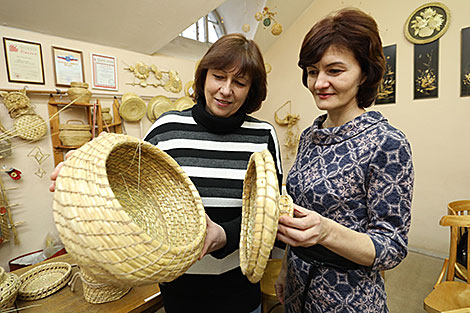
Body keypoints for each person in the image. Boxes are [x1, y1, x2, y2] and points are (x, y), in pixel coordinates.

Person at [50, 33, 282, 313]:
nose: (225, 90)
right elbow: (127, 185)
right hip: (180, 291)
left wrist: (225, 235)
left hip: (240, 292)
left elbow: (270, 211)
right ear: (204, 76)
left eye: (240, 83)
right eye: (219, 76)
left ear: (251, 90)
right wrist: (81, 174)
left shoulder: (263, 135)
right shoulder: (167, 128)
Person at [274, 8, 414, 313]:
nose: (319, 83)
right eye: (312, 71)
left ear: (364, 73)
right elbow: (298, 213)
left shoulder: (387, 143)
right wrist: (286, 268)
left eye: (334, 71)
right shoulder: (311, 136)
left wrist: (326, 232)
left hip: (349, 297)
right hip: (299, 285)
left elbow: (392, 247)